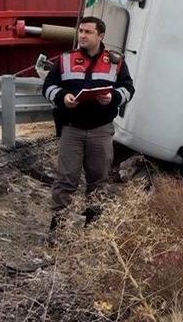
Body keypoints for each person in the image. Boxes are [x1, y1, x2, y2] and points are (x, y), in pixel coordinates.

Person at [43, 16, 135, 234]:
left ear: (100, 36)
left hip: (100, 131)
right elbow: (47, 87)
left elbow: (128, 89)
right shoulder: (65, 60)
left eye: (88, 32)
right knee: (65, 181)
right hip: (71, 129)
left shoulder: (116, 61)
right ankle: (57, 231)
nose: (82, 35)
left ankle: (92, 231)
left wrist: (112, 98)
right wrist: (62, 97)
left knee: (98, 183)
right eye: (81, 31)